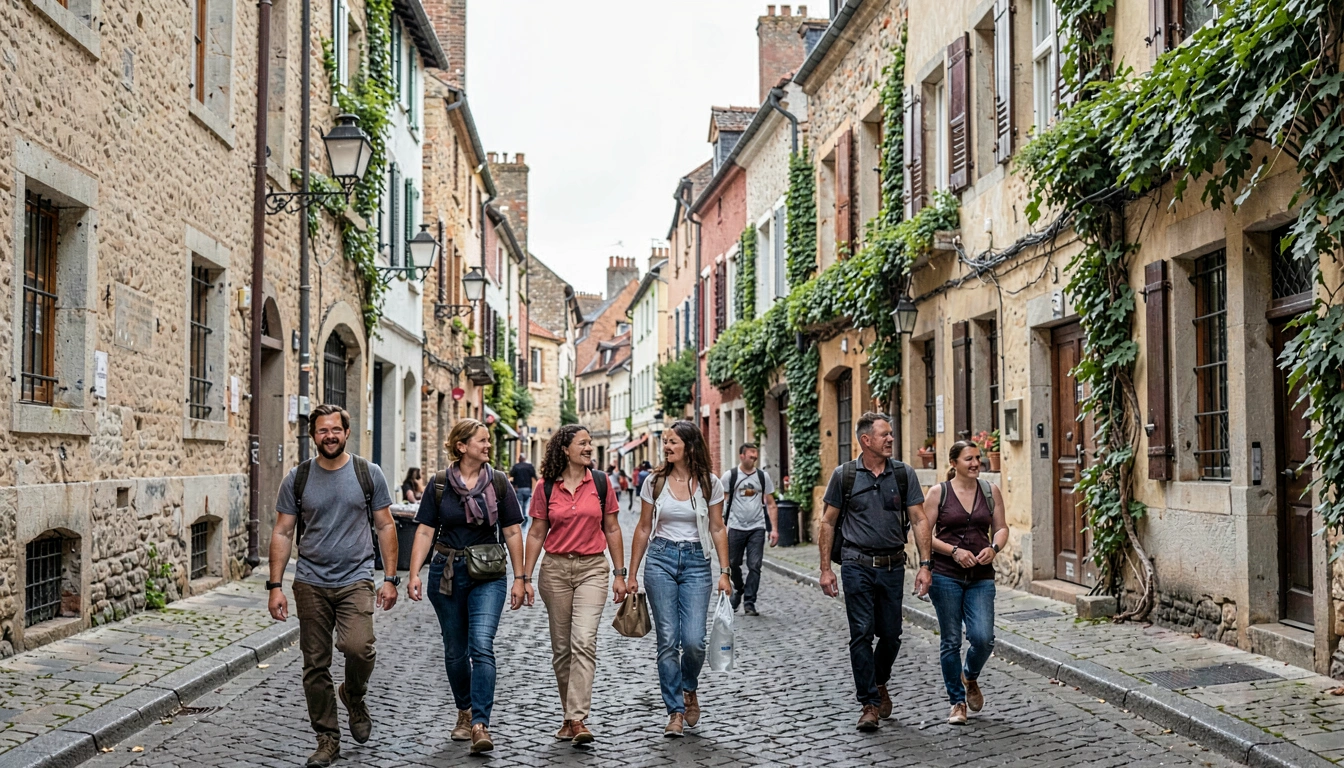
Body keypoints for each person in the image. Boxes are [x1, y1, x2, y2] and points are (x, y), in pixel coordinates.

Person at [267, 404, 400, 768]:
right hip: (310, 581)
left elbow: (386, 526)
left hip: (356, 577)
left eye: (336, 430)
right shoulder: (298, 477)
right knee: (315, 664)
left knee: (359, 647)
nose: (330, 436)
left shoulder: (366, 473)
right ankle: (327, 738)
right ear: (313, 436)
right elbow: (282, 531)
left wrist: (389, 578)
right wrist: (275, 585)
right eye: (323, 431)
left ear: (346, 433)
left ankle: (353, 695)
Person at [407, 419, 526, 755]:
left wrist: (521, 578)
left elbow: (513, 531)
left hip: (487, 574)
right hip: (446, 572)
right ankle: (464, 709)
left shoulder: (500, 483)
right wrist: (414, 573)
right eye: (482, 440)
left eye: (488, 440)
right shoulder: (440, 484)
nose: (488, 445)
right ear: (461, 446)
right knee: (455, 651)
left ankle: (479, 723)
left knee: (481, 644)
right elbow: (426, 531)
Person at [818, 411, 932, 732]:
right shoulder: (845, 476)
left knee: (892, 635)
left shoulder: (903, 474)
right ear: (866, 440)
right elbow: (827, 522)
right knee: (861, 633)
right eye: (885, 435)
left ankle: (879, 680)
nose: (891, 439)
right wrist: (826, 568)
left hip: (893, 565)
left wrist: (925, 565)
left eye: (891, 434)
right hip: (856, 564)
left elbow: (920, 519)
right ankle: (868, 703)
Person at [520, 426, 627, 745]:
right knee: (562, 648)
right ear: (565, 449)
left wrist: (620, 573)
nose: (589, 448)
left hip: (593, 568)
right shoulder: (546, 487)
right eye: (583, 443)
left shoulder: (600, 482)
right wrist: (524, 577)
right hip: (554, 570)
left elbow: (612, 527)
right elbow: (537, 533)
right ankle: (569, 716)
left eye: (590, 444)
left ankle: (577, 718)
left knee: (583, 640)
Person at [628, 421, 732, 738]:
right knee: (668, 641)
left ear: (689, 445)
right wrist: (631, 573)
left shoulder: (709, 483)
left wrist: (725, 572)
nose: (667, 447)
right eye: (665, 442)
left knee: (694, 641)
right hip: (660, 559)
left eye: (672, 442)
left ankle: (689, 687)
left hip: (697, 562)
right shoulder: (654, 482)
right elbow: (644, 527)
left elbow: (717, 527)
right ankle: (674, 710)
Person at [924, 440, 1006, 725]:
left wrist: (994, 548)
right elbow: (924, 534)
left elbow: (1002, 528)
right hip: (946, 575)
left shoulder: (989, 490)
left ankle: (969, 676)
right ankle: (957, 702)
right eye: (968, 458)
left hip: (981, 576)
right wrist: (954, 552)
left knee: (983, 638)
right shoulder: (939, 493)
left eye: (978, 458)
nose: (975, 463)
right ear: (954, 463)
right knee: (950, 640)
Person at [721, 443, 778, 616]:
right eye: (751, 455)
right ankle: (740, 588)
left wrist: (774, 529)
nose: (754, 458)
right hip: (736, 527)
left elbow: (771, 504)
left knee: (755, 565)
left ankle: (749, 602)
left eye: (755, 455)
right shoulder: (730, 476)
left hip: (757, 528)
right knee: (732, 563)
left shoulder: (762, 477)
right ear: (742, 456)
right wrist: (721, 527)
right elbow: (722, 503)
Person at [509, 452, 537, 522]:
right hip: (528, 488)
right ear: (524, 459)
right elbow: (534, 476)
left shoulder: (516, 466)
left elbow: (511, 474)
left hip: (519, 488)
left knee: (520, 503)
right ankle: (525, 514)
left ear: (519, 459)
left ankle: (521, 516)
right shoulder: (529, 466)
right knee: (526, 503)